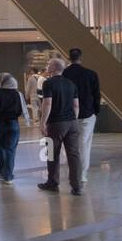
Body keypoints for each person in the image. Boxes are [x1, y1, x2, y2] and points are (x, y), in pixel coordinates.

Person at [37, 58, 82, 195]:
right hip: (72, 123)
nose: (47, 66)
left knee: (52, 153)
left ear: (54, 68)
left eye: (48, 64)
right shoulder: (71, 84)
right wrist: (73, 119)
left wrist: (43, 122)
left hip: (55, 123)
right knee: (73, 154)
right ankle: (77, 186)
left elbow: (47, 104)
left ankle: (53, 182)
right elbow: (76, 105)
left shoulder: (48, 83)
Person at [62, 48, 102, 183]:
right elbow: (96, 95)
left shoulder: (64, 74)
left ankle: (73, 171)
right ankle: (81, 173)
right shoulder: (91, 74)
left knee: (71, 144)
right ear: (81, 57)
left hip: (68, 115)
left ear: (69, 58)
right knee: (84, 144)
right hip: (87, 114)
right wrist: (96, 110)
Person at [0, 72, 29, 183]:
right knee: (10, 149)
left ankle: (2, 170)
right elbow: (20, 110)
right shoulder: (17, 94)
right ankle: (8, 175)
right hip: (13, 124)